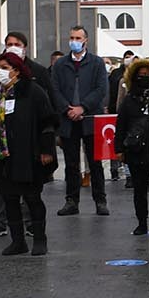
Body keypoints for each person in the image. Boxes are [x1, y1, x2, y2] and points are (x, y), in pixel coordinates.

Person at [0, 51, 58, 255]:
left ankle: (39, 239)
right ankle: (18, 241)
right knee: (9, 198)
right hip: (3, 155)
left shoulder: (33, 91)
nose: (0, 72)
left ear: (17, 71)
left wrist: (46, 150)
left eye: (5, 68)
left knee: (32, 198)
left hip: (28, 155)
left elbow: (48, 121)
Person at [50, 26, 111, 217]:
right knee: (71, 163)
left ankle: (100, 200)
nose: (74, 41)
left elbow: (101, 89)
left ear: (86, 40)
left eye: (78, 38)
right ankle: (71, 201)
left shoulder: (96, 63)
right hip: (68, 120)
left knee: (95, 163)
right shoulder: (61, 64)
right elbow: (54, 89)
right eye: (72, 37)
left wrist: (82, 107)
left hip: (90, 119)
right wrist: (66, 109)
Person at [114, 58, 149, 235]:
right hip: (135, 150)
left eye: (147, 74)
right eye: (141, 74)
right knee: (139, 190)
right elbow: (120, 125)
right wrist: (119, 149)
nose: (144, 77)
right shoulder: (129, 100)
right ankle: (141, 222)